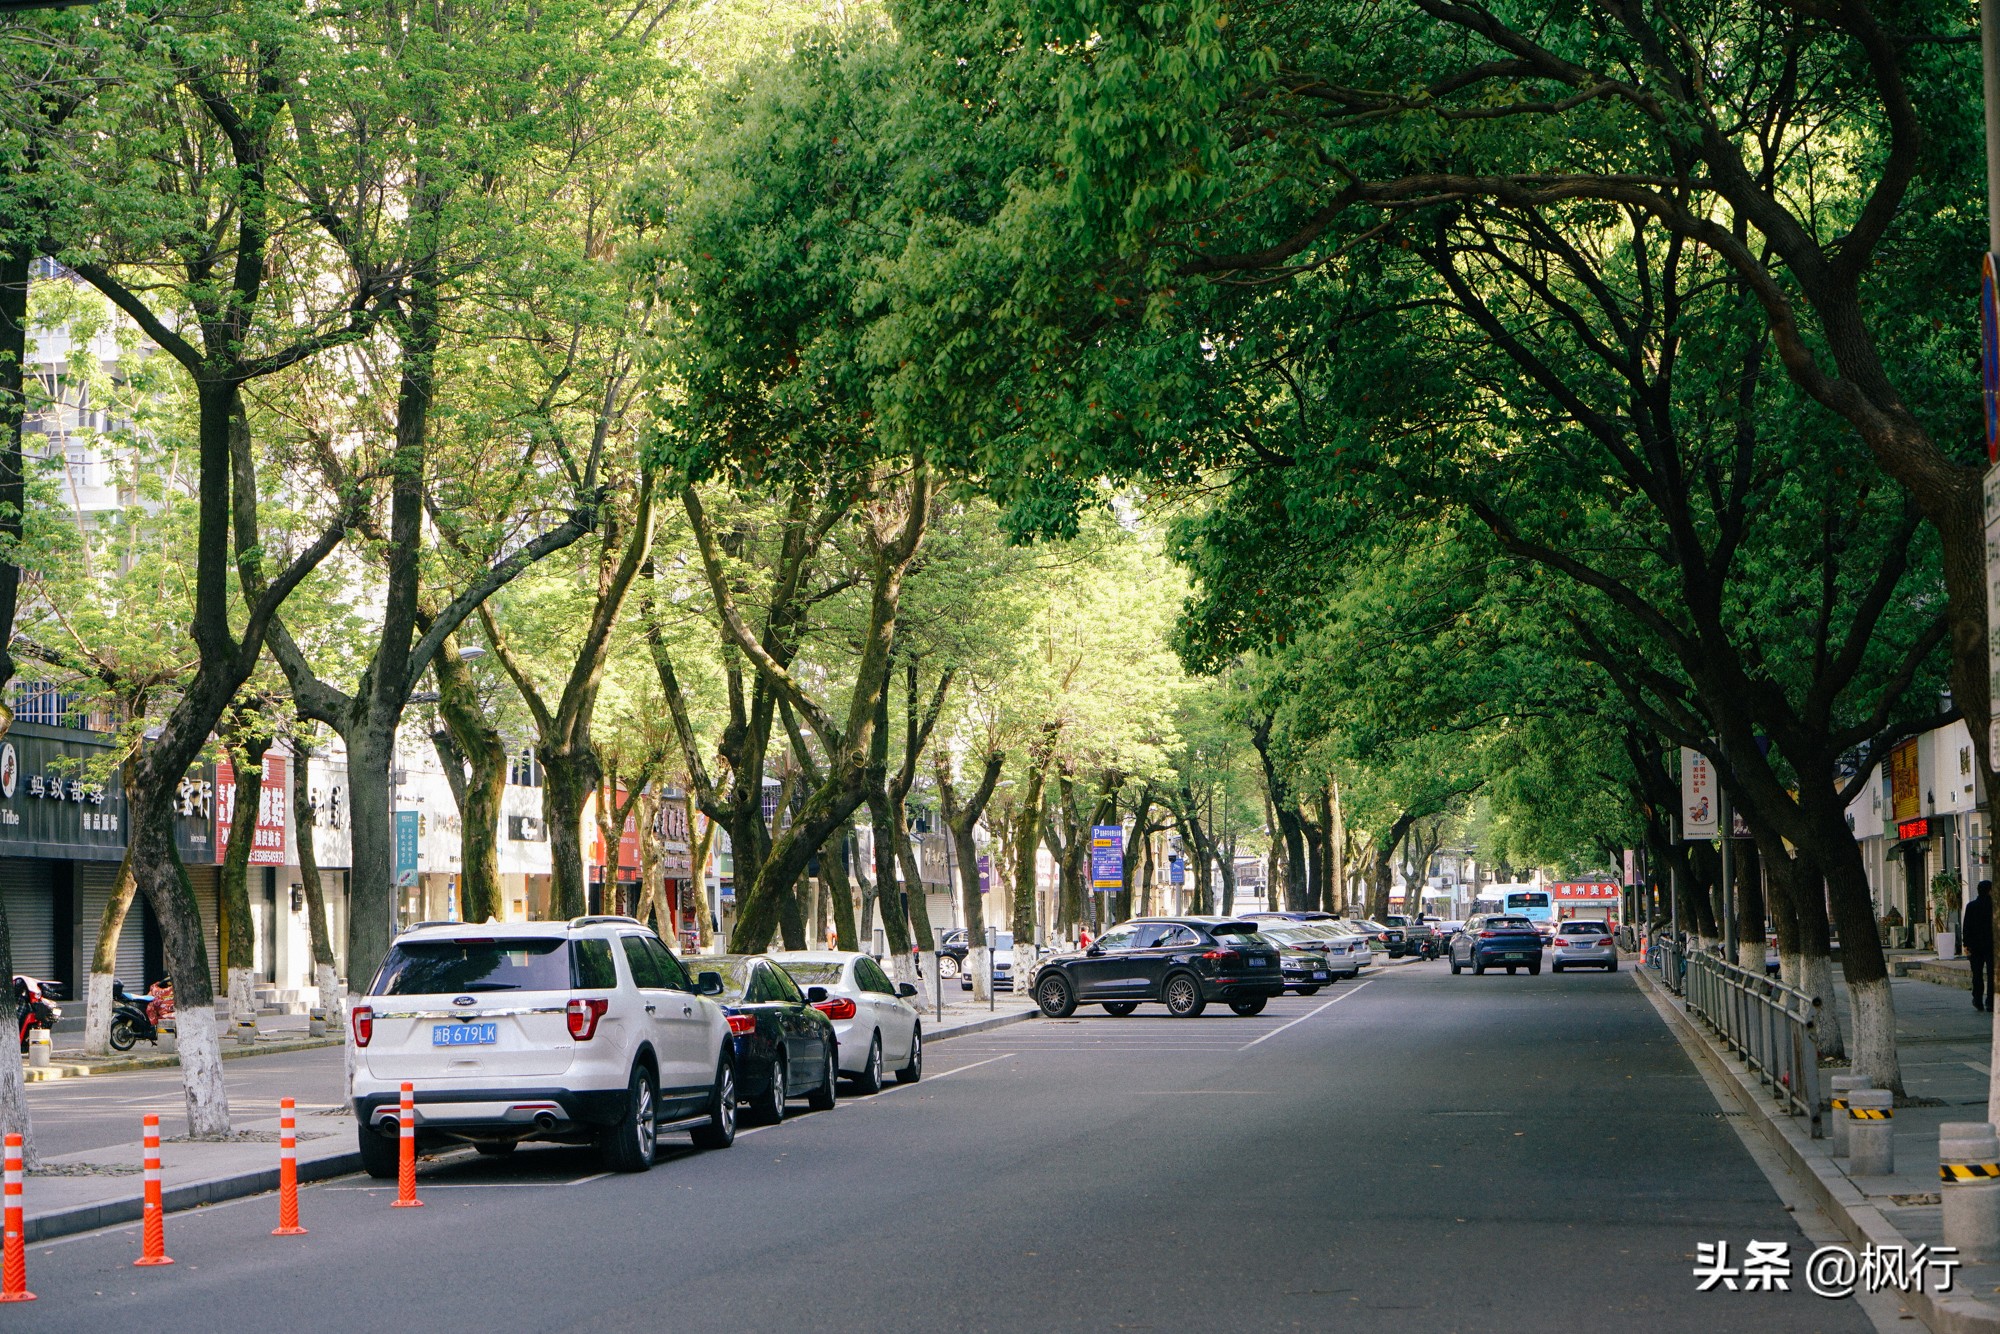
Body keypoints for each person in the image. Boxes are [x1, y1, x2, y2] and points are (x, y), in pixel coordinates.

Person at [1965, 880, 1994, 1013]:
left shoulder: (1971, 906)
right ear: (1990, 891)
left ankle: (1977, 1000)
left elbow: (1966, 927)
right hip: (1991, 946)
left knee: (1977, 974)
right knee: (1992, 974)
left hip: (1975, 946)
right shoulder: (1994, 907)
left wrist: (1966, 945)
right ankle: (1990, 1002)